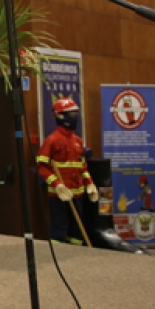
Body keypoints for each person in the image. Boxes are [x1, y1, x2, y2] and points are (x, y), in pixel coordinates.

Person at [36, 98, 99, 244]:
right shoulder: (52, 140)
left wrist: (89, 183)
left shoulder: (77, 140)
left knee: (77, 231)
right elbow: (42, 166)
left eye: (75, 114)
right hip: (60, 194)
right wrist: (57, 184)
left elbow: (82, 166)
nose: (74, 118)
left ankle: (76, 260)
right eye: (71, 115)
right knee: (60, 229)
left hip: (77, 194)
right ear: (60, 116)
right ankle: (57, 258)